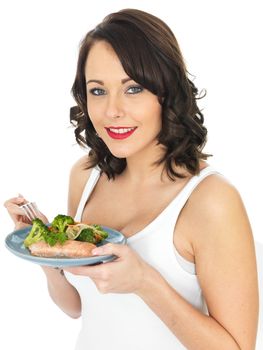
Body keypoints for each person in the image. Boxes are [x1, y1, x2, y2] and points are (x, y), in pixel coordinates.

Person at [4, 8, 259, 350]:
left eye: (133, 88)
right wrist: (47, 249)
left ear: (165, 93)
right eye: (98, 91)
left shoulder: (210, 199)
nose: (112, 111)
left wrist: (145, 281)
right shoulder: (85, 177)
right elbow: (77, 306)